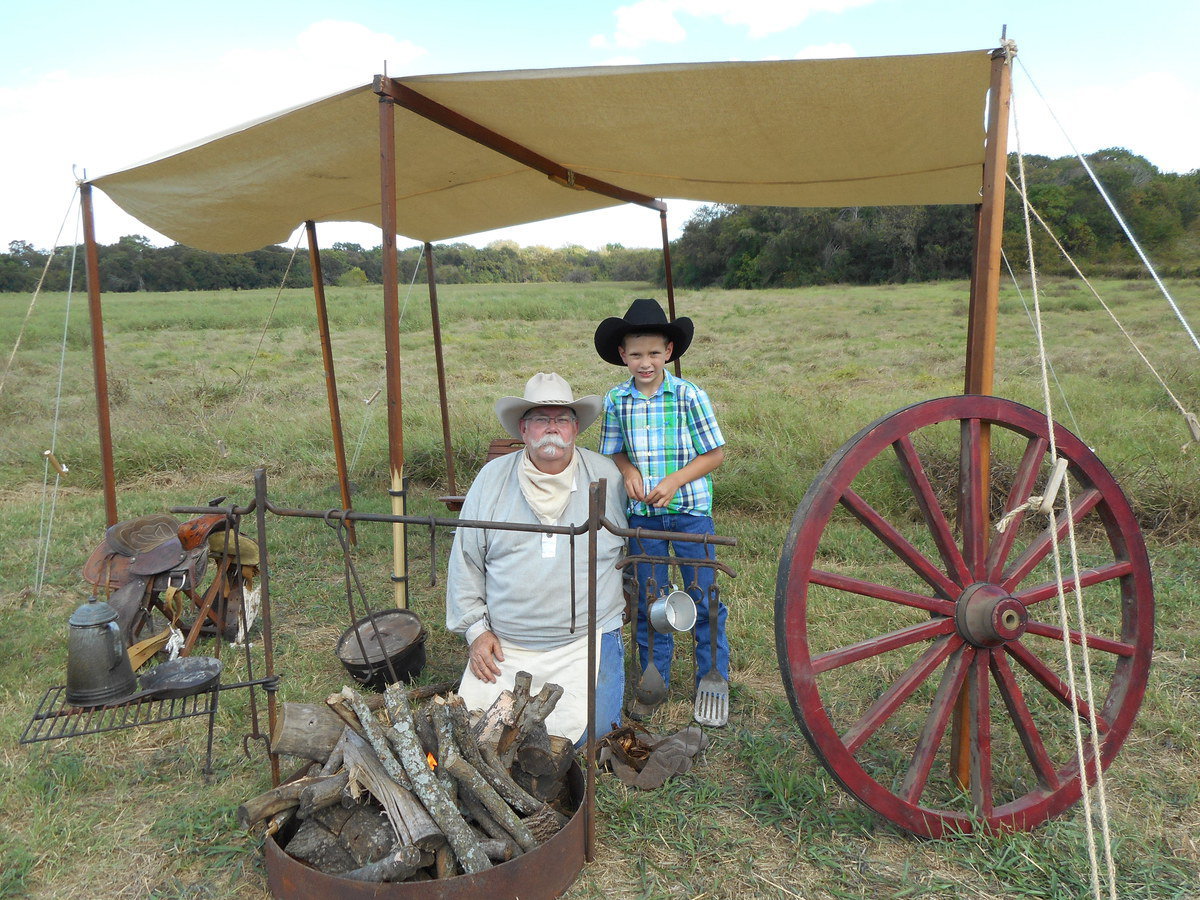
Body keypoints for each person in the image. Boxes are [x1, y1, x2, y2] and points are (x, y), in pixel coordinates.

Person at [446, 373, 629, 745]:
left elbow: (629, 551)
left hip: (585, 639)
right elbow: (465, 560)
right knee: (475, 734)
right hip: (507, 643)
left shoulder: (605, 476)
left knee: (586, 740)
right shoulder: (492, 479)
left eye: (561, 419)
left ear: (576, 428)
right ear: (523, 429)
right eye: (541, 420)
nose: (552, 429)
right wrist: (476, 631)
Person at [593, 298, 728, 722]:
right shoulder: (617, 400)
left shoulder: (688, 396)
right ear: (622, 356)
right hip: (643, 519)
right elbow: (612, 453)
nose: (645, 362)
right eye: (636, 354)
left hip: (689, 512)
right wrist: (628, 469)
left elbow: (715, 454)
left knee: (703, 594)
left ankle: (712, 677)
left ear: (669, 351)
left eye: (653, 352)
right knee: (651, 599)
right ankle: (654, 681)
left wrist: (673, 482)